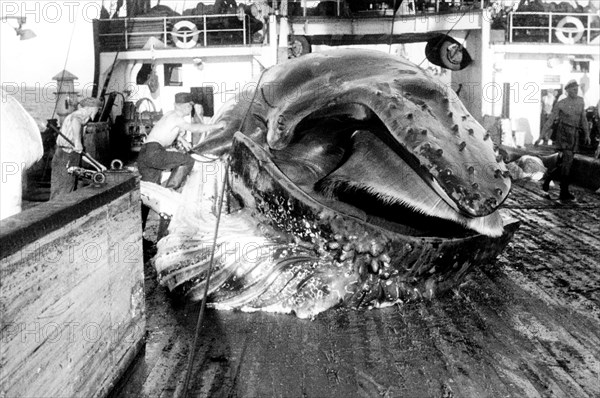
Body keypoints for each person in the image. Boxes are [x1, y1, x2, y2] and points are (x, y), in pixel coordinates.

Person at [137, 92, 225, 190]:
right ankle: (170, 190)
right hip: (155, 152)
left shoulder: (169, 114)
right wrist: (216, 126)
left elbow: (165, 130)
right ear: (188, 106)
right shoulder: (177, 119)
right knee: (188, 160)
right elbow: (194, 128)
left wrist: (182, 140)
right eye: (191, 106)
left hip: (144, 153)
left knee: (151, 190)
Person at [540, 80, 590, 201]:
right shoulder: (561, 104)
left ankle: (548, 178)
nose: (576, 90)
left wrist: (587, 134)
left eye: (576, 88)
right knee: (567, 161)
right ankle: (564, 191)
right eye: (573, 89)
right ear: (567, 91)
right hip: (564, 134)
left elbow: (583, 118)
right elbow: (550, 120)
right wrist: (541, 135)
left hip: (575, 134)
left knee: (567, 163)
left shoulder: (580, 101)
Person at [50, 97, 102, 200]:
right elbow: (76, 120)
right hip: (65, 157)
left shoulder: (83, 121)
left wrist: (99, 166)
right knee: (62, 192)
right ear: (91, 108)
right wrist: (78, 142)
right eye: (97, 108)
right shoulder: (80, 115)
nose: (98, 111)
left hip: (70, 156)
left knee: (67, 190)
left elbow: (81, 153)